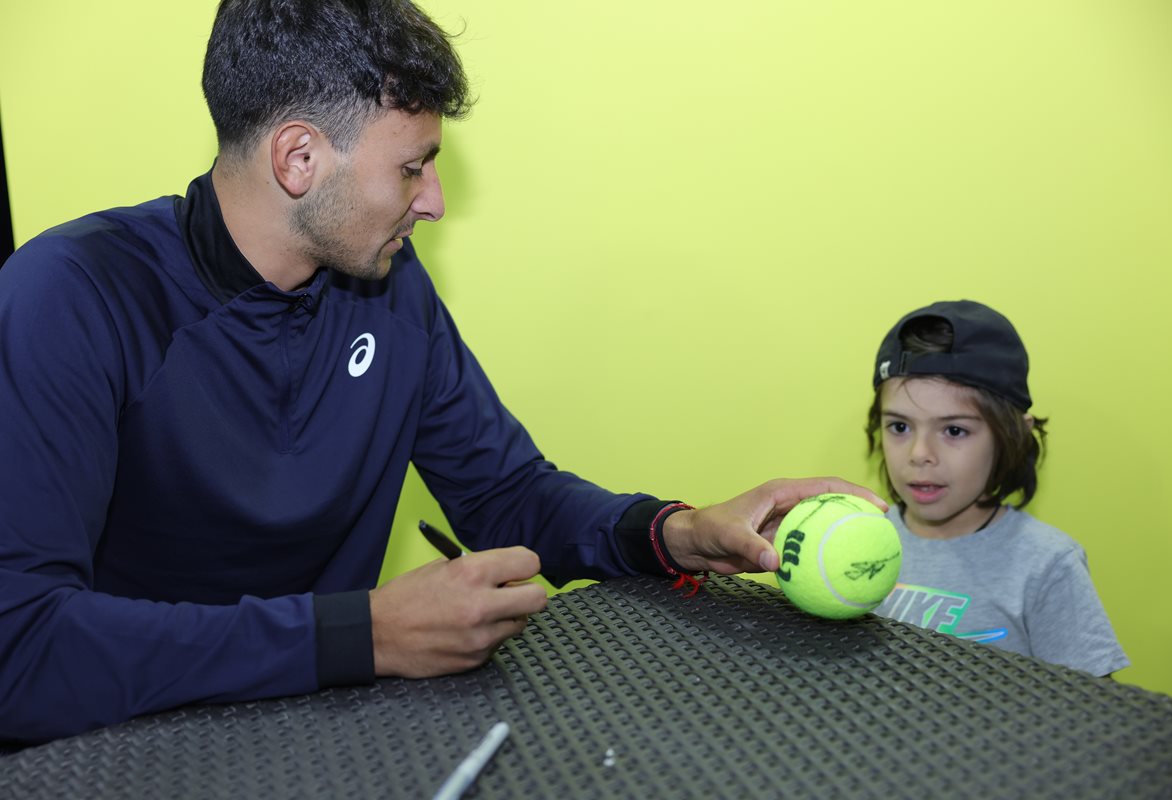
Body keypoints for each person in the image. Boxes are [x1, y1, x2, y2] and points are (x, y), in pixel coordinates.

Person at [0, 0, 881, 744]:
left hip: (326, 736)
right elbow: (21, 648)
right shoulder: (73, 295)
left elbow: (508, 495)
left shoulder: (386, 283)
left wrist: (673, 533)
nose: (434, 201)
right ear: (299, 159)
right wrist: (362, 635)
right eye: (411, 166)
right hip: (116, 747)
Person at [866, 300, 1127, 676]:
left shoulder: (1047, 564)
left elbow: (1093, 706)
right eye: (900, 427)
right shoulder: (858, 535)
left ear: (1013, 436)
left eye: (954, 430)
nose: (920, 454)